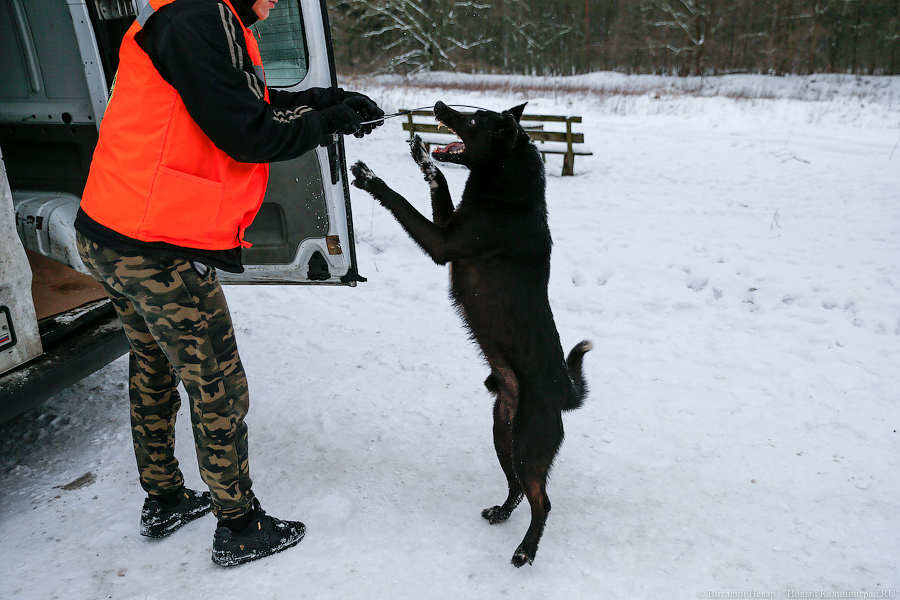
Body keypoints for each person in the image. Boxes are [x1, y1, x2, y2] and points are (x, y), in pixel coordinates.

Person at [74, 0, 383, 566]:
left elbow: (235, 101)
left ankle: (165, 497)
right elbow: (250, 134)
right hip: (154, 246)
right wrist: (329, 122)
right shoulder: (198, 17)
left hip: (113, 230)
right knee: (217, 380)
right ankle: (239, 525)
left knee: (154, 365)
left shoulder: (190, 15)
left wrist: (323, 101)